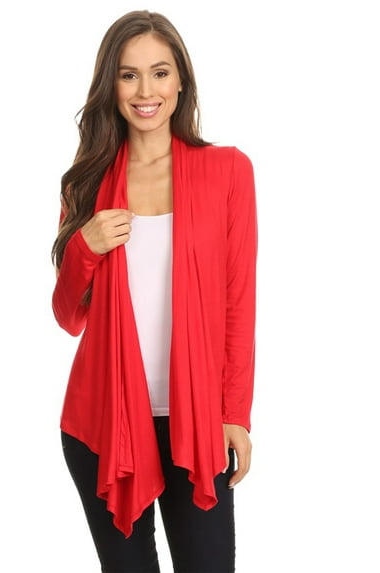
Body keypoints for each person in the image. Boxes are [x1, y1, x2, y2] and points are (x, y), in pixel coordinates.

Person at [51, 10, 257, 573]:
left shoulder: (228, 171)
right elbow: (69, 315)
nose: (146, 91)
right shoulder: (87, 182)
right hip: (103, 422)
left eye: (160, 73)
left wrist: (235, 413)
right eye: (129, 75)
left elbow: (239, 304)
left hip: (197, 422)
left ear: (181, 80)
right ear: (111, 85)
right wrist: (85, 245)